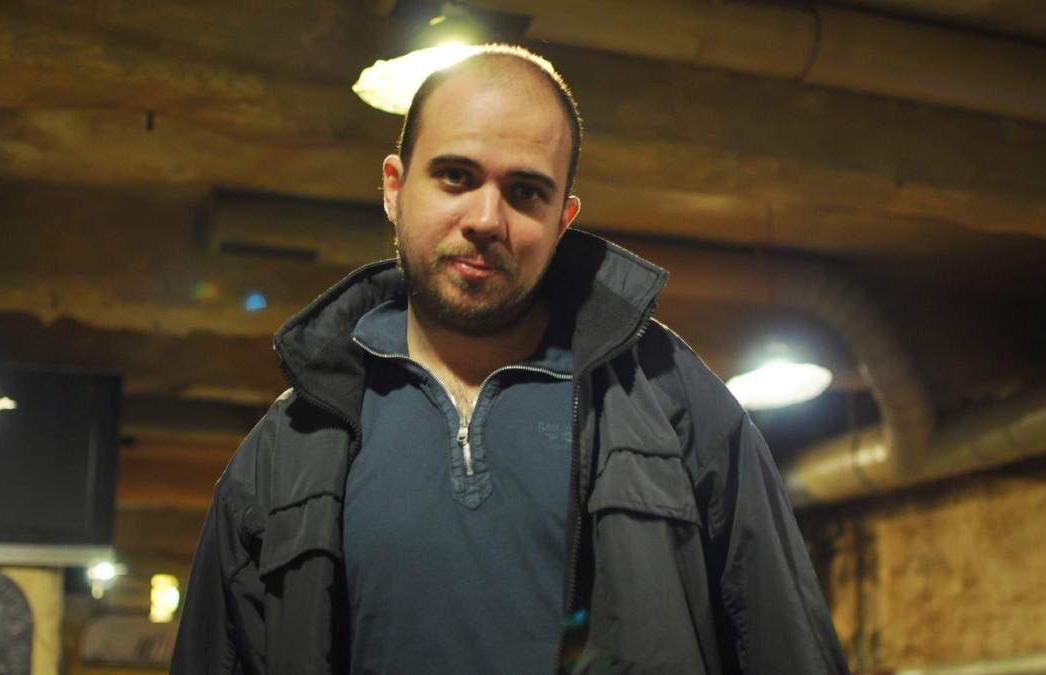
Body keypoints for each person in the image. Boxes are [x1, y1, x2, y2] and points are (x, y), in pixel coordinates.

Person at [172, 44, 848, 675]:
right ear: (393, 187)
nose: (486, 219)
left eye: (526, 192)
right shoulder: (287, 450)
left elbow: (787, 645)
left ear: (563, 220)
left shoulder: (676, 406)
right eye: (455, 176)